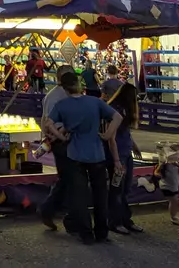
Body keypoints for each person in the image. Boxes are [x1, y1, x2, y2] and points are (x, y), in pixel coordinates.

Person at [44, 70, 123, 244]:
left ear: (64, 88)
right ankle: (102, 232)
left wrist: (60, 136)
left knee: (79, 197)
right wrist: (108, 134)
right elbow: (117, 117)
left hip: (75, 155)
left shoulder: (62, 105)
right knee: (100, 195)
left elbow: (48, 124)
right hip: (96, 153)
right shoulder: (95, 102)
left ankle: (86, 234)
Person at [39, 64, 74, 230]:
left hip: (59, 139)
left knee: (67, 177)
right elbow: (50, 121)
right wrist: (60, 134)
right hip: (62, 140)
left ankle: (51, 209)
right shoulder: (59, 95)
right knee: (69, 177)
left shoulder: (54, 94)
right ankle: (49, 208)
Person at [104, 82, 142, 234]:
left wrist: (134, 145)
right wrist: (116, 160)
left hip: (126, 152)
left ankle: (126, 219)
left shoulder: (124, 110)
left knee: (125, 189)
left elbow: (125, 131)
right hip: (118, 155)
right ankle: (115, 221)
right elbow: (111, 138)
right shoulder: (114, 111)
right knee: (116, 190)